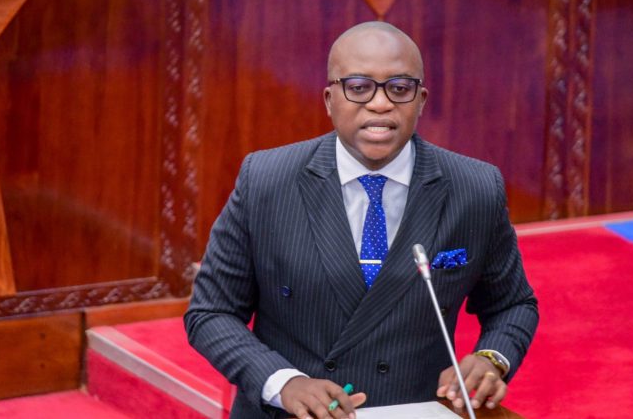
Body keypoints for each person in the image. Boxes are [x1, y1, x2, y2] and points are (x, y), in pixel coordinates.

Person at [185, 21, 538, 419]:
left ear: (421, 100)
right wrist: (283, 383)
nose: (380, 104)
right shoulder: (267, 180)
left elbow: (513, 304)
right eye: (358, 87)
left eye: (399, 88)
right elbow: (211, 313)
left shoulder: (474, 187)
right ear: (329, 99)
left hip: (416, 410)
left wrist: (492, 358)